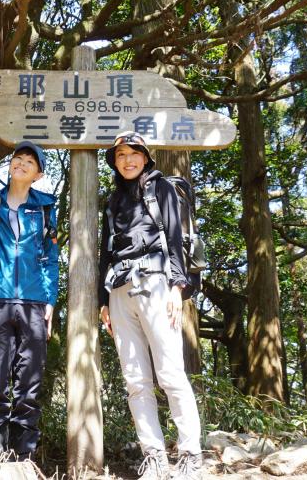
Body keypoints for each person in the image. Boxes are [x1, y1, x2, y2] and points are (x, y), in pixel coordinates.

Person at [98, 132, 204, 480]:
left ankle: (190, 455)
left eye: (134, 154)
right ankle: (154, 457)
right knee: (136, 380)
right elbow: (105, 252)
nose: (127, 160)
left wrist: (177, 286)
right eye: (120, 155)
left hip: (157, 282)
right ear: (114, 162)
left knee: (170, 373)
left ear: (145, 157)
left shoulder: (162, 189)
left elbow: (173, 237)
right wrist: (103, 301)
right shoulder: (113, 201)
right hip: (119, 289)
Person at [0, 140, 59, 461]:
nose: (20, 164)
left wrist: (50, 300)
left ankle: (23, 458)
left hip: (34, 303)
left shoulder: (45, 209)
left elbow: (50, 259)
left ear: (38, 175)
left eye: (29, 162)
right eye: (17, 158)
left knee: (29, 384)